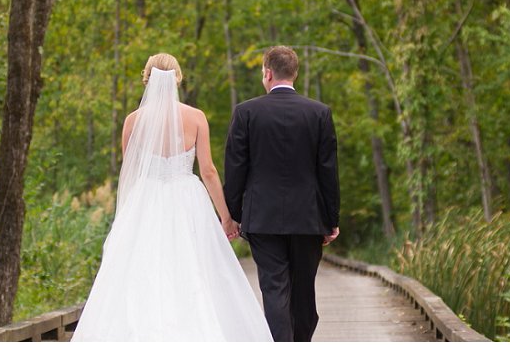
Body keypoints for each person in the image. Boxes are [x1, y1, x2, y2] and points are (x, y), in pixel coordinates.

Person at [73, 53, 272, 341]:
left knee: (144, 268)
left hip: (145, 199)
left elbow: (129, 173)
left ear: (147, 79)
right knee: (195, 266)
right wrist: (226, 216)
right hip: (186, 199)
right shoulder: (196, 117)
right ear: (177, 78)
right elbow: (209, 171)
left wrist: (126, 216)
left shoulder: (132, 122)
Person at [225, 46, 339, 342]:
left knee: (274, 289)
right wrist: (331, 218)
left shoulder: (246, 112)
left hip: (262, 218)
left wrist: (232, 215)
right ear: (295, 73)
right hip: (308, 218)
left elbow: (236, 168)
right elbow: (328, 171)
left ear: (267, 73)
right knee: (303, 290)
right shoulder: (319, 113)